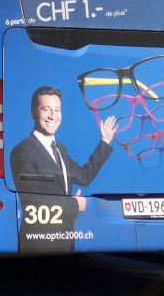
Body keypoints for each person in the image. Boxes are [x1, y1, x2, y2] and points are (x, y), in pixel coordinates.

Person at [10, 85, 117, 253]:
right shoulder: (23, 151)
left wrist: (105, 141)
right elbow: (33, 201)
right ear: (33, 112)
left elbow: (84, 176)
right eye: (46, 109)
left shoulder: (60, 149)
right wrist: (75, 204)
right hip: (39, 245)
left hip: (65, 242)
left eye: (57, 110)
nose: (53, 116)